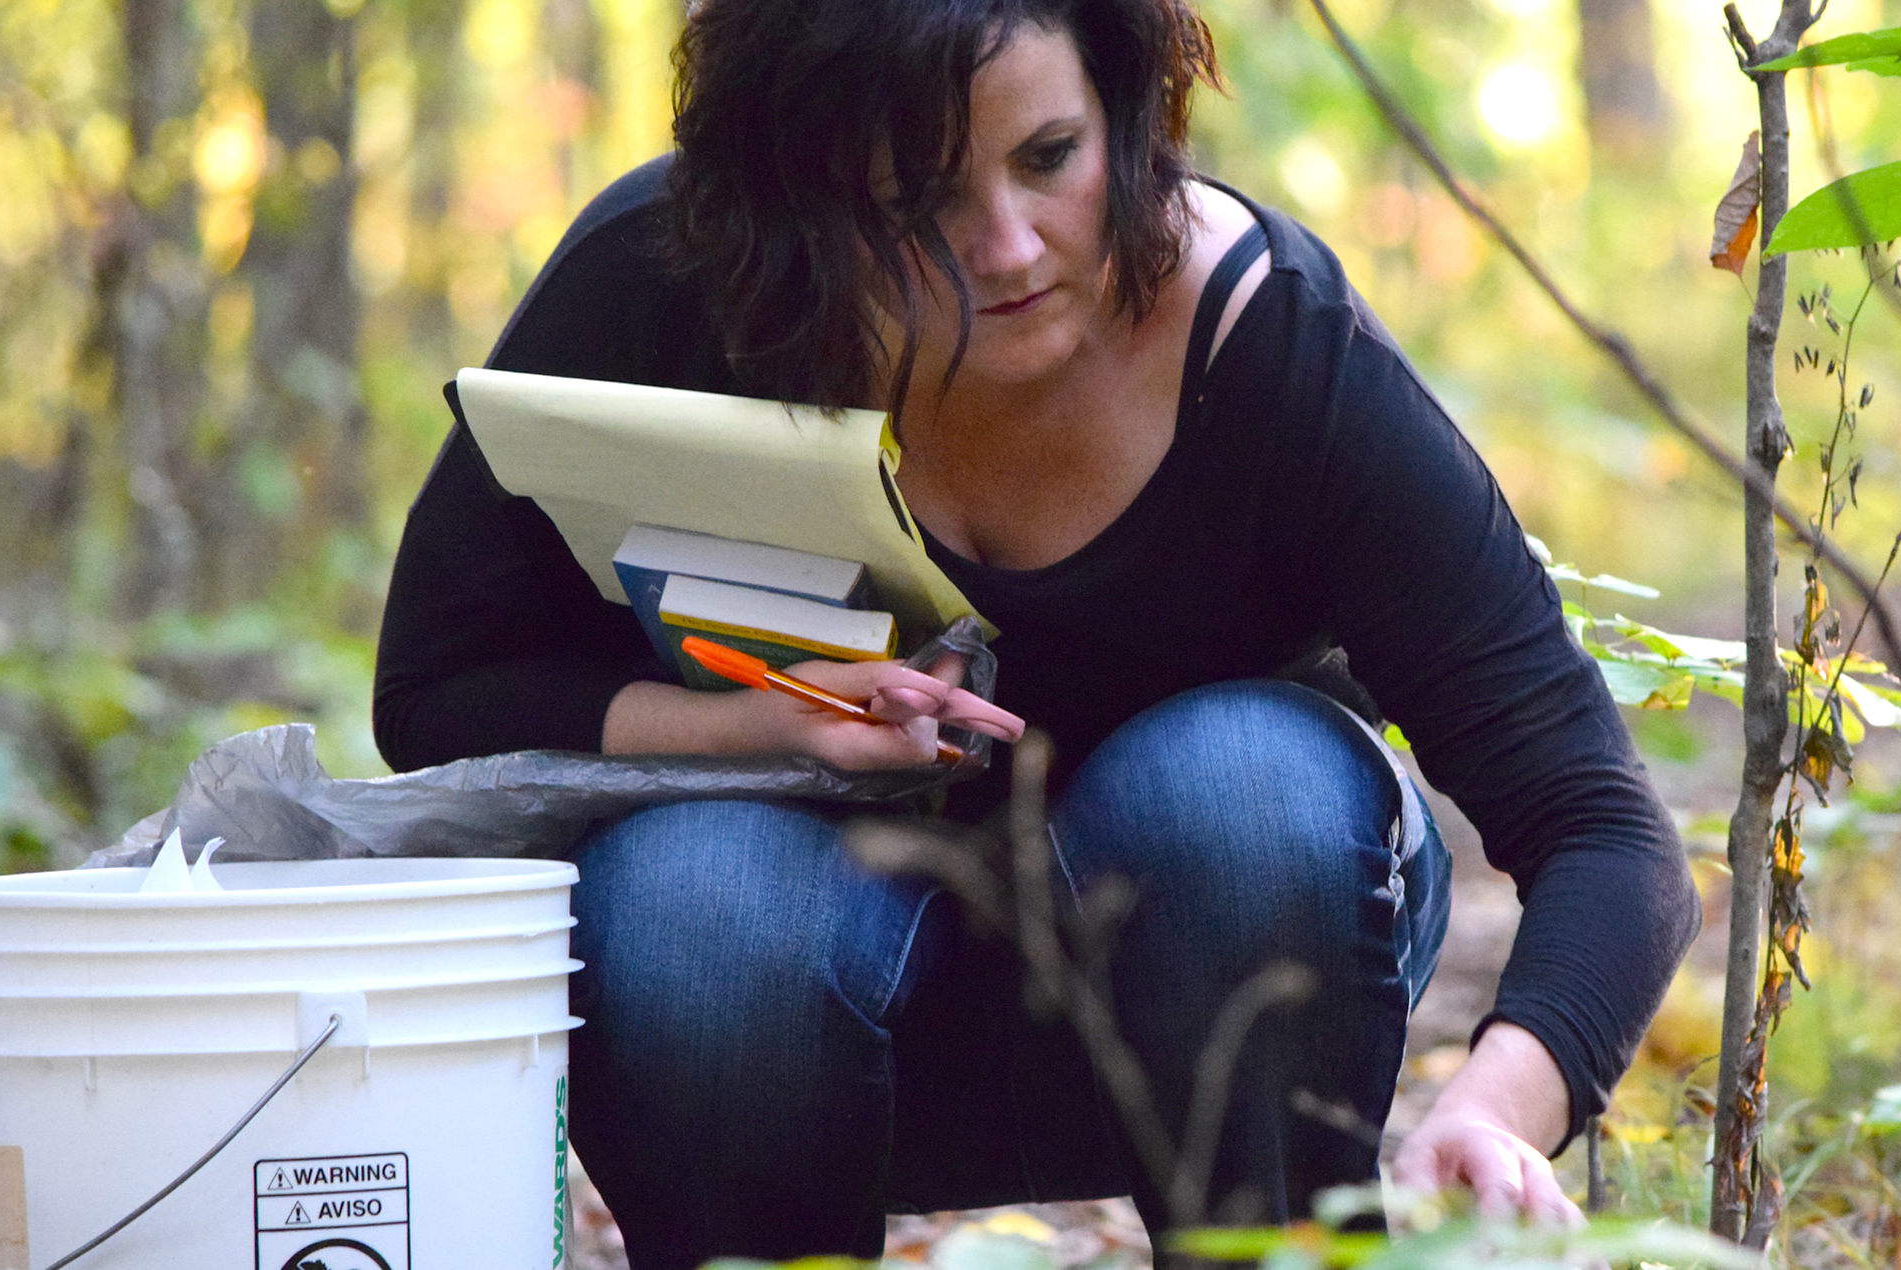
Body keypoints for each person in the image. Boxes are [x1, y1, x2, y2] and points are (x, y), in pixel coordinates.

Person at [371, 0, 1697, 1263]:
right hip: (771, 1023)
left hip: (1226, 987)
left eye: (1049, 157)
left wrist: (1491, 1109)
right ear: (802, 189)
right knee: (684, 895)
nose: (1006, 248)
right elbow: (437, 686)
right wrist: (757, 724)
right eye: (918, 201)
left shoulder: (1271, 344)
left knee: (1245, 780)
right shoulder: (674, 280)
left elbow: (1601, 824)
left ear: (1128, 113)